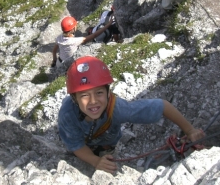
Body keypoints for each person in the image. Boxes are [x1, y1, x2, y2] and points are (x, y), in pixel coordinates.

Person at [58, 56, 205, 174]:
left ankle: (105, 152)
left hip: (107, 142)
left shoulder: (118, 109)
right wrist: (95, 161)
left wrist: (190, 130)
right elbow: (76, 145)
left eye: (99, 93)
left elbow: (163, 106)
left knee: (106, 157)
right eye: (84, 95)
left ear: (108, 93)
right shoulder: (67, 115)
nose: (93, 101)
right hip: (83, 139)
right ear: (74, 99)